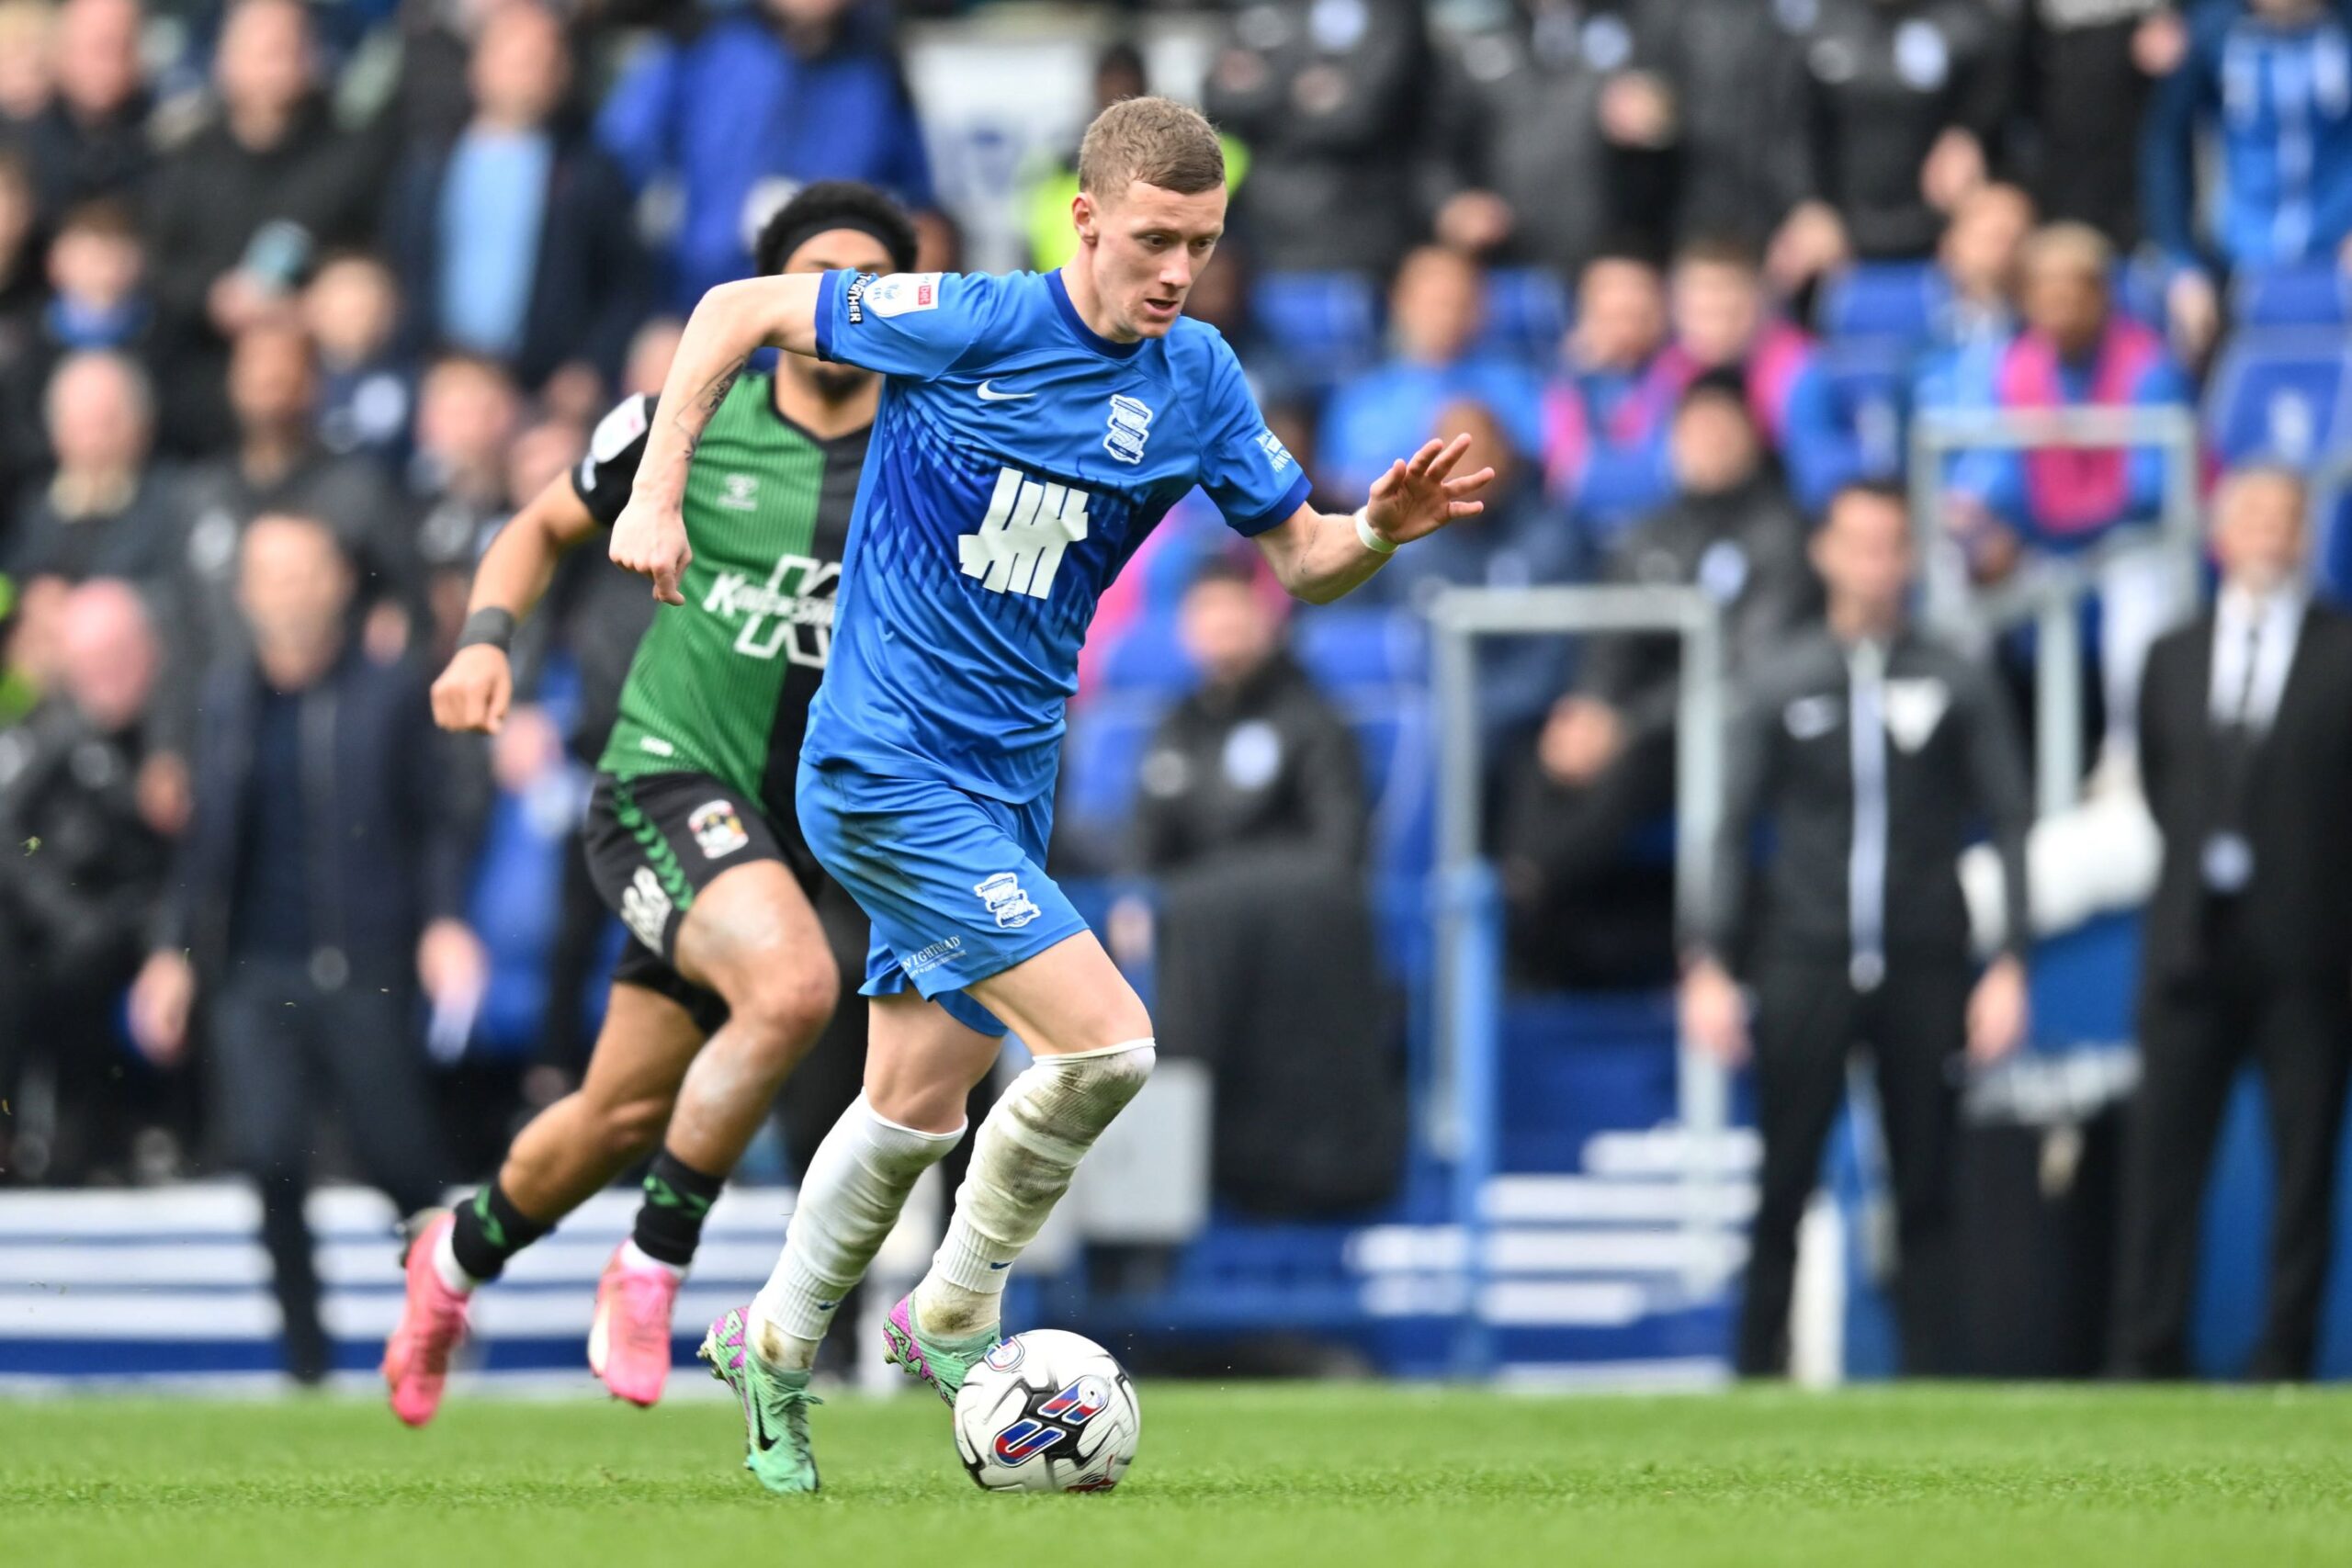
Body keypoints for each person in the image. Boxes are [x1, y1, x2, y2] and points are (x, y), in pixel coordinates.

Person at [605, 95, 1494, 1492]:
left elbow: (1306, 559)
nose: (1177, 271)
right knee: (1107, 1047)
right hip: (883, 762)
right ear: (1084, 219)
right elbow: (730, 307)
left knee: (915, 1100)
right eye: (1153, 239)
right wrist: (658, 492)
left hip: (1008, 781)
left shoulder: (1197, 378)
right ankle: (954, 1311)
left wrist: (1379, 526)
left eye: (1200, 243)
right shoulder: (967, 317)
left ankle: (771, 1347)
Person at [380, 182, 921, 1427]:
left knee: (619, 1110)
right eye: (816, 280)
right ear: (770, 303)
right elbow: (536, 525)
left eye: (870, 284)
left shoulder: (931, 443)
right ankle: (653, 1261)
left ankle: (452, 1258)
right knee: (793, 988)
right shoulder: (692, 417)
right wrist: (483, 642)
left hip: (794, 835)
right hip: (663, 779)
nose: (841, 308)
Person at [1681, 479, 2032, 1377]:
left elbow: (2009, 817)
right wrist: (1708, 960)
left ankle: (1932, 1387)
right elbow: (1726, 825)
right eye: (1859, 543)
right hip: (1806, 957)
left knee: (1926, 1184)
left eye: (1891, 545)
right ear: (1824, 552)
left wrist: (2010, 961)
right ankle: (1755, 1375)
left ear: (1910, 558)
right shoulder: (1781, 675)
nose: (1875, 565)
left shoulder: (1952, 675)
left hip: (1923, 961)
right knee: (1782, 1180)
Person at [127, 513, 483, 1384]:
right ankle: (307, 1362)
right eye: (269, 575)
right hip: (255, 969)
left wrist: (443, 921)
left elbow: (435, 820)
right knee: (269, 1157)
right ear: (243, 594)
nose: (286, 592)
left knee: (400, 1161)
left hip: (364, 963)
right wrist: (172, 951)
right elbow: (205, 848)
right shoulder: (224, 701)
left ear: (336, 583)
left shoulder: (390, 692)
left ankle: (438, 1325)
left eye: (303, 572)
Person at [2113, 465, 2352, 1382]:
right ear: (2217, 532)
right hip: (2187, 949)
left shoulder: (2340, 651)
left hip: (2308, 955)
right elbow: (2162, 786)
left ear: (2305, 534)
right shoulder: (2172, 653)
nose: (2265, 532)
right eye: (2248, 514)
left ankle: (2282, 1354)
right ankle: (2146, 1346)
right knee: (2161, 1163)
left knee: (2301, 1171)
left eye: (2283, 517)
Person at [1499, 370, 1819, 987]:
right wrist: (1589, 708)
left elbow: (1748, 665)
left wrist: (1627, 724)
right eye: (1693, 430)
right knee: (1533, 753)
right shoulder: (1653, 531)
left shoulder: (1781, 535)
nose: (1708, 443)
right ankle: (1527, 912)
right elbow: (1610, 640)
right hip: (1633, 726)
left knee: (1630, 768)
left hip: (1726, 731)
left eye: (1722, 429)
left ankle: (1526, 892)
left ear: (1753, 436)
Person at [1133, 555, 1397, 1215]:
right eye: (1205, 612)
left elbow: (1338, 856)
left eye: (1234, 608)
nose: (1221, 626)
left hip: (1287, 967)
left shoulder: (1313, 719)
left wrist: (1214, 899)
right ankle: (1146, 1219)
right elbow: (1141, 851)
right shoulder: (1174, 725)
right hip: (1192, 960)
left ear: (1267, 618)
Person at [382, 0, 649, 400]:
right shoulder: (429, 164)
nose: (532, 73)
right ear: (479, 65)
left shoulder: (590, 172)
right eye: (518, 59)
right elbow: (398, 267)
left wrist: (590, 367)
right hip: (435, 381)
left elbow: (628, 286)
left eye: (546, 60)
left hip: (539, 391)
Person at [144, 0, 378, 454]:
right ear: (224, 59)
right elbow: (157, 268)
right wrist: (214, 297)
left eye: (288, 47)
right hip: (201, 384)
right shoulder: (187, 159)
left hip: (317, 388)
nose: (277, 62)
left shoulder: (352, 155)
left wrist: (315, 306)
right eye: (262, 49)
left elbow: (372, 262)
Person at [595, 0, 935, 310]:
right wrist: (645, 320)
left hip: (829, 325)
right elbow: (609, 185)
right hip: (696, 311)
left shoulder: (876, 63)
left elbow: (920, 206)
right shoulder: (700, 40)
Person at [0, 576, 171, 1183]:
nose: (109, 674)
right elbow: (10, 836)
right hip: (75, 925)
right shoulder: (54, 733)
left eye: (121, 656)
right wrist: (68, 914)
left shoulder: (178, 734)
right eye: (92, 661)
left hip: (159, 927)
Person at [2144, 0, 2352, 362]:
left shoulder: (2341, 28)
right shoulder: (2213, 31)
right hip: (2240, 261)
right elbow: (2165, 143)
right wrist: (2182, 263)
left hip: (2338, 255)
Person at [1201, 0, 1431, 276]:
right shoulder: (1254, 9)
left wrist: (1267, 87)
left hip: (1353, 234)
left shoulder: (1389, 12)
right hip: (1260, 230)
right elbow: (1220, 98)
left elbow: (1358, 115)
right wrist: (1302, 91)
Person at [1317, 245, 1544, 498]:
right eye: (1436, 303)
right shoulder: (1360, 396)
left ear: (1483, 308)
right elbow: (1338, 483)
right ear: (1400, 302)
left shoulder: (1516, 385)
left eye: (1461, 303)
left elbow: (1540, 470)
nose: (1448, 317)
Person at [5, 351, 174, 586]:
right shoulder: (33, 509)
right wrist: (25, 600)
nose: (93, 443)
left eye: (106, 424)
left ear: (143, 427)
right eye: (79, 426)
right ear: (56, 435)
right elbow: (8, 580)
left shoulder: (174, 504)